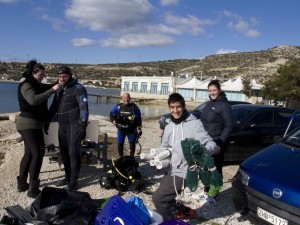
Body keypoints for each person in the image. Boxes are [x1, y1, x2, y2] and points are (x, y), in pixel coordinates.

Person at [152, 93, 216, 222]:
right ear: (169, 108)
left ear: (184, 106)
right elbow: (164, 147)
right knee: (166, 198)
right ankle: (185, 211)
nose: (175, 111)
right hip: (170, 169)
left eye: (178, 107)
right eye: (172, 107)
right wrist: (155, 155)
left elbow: (211, 144)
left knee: (158, 198)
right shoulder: (169, 126)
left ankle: (171, 222)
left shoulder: (194, 124)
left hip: (185, 171)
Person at [16, 60, 62, 198]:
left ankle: (22, 184)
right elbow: (33, 100)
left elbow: (47, 87)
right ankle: (33, 188)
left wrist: (58, 82)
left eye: (43, 74)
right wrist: (52, 91)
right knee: (38, 153)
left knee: (29, 153)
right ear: (33, 73)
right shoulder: (26, 85)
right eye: (40, 74)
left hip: (32, 124)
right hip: (28, 124)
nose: (42, 77)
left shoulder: (36, 84)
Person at [48, 65, 89, 191]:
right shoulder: (60, 89)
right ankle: (67, 176)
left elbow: (84, 108)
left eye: (64, 76)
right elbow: (54, 107)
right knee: (64, 153)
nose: (62, 78)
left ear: (69, 75)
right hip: (62, 126)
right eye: (59, 76)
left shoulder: (79, 88)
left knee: (73, 152)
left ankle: (73, 181)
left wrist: (83, 126)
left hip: (74, 125)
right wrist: (46, 121)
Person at [192, 79, 233, 203]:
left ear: (219, 90)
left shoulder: (224, 105)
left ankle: (213, 195)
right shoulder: (210, 103)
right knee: (205, 167)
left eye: (214, 90)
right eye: (210, 90)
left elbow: (229, 125)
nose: (212, 92)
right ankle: (206, 192)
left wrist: (220, 142)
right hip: (207, 141)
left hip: (217, 142)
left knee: (215, 169)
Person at [110, 93, 142, 158]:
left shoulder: (134, 107)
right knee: (120, 144)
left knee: (132, 145)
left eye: (127, 98)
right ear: (122, 99)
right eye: (124, 98)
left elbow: (139, 118)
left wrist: (139, 128)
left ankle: (131, 159)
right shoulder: (119, 107)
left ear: (130, 98)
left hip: (131, 130)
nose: (126, 99)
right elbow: (111, 113)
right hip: (121, 130)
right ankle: (121, 158)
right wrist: (113, 120)